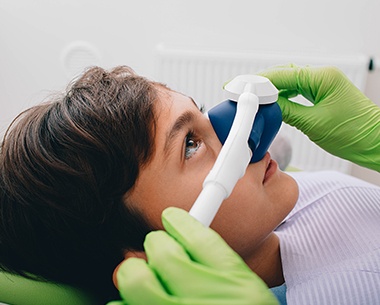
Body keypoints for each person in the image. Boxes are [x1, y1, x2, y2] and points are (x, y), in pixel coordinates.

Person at [0, 65, 378, 304]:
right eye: (190, 145)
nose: (237, 129)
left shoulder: (306, 195)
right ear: (151, 252)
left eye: (202, 112)